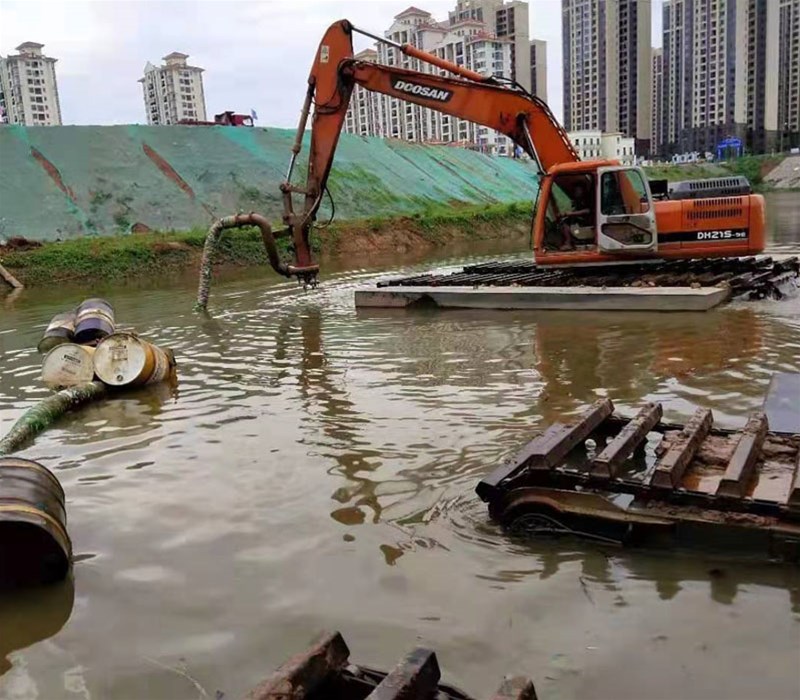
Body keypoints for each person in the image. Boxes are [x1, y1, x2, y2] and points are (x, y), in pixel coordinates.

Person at [559, 181, 593, 250]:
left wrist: (571, 214)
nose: (576, 192)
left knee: (565, 224)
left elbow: (588, 211)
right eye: (575, 191)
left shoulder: (587, 200)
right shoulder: (576, 201)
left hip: (586, 221)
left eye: (578, 190)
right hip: (578, 219)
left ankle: (568, 243)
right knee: (563, 221)